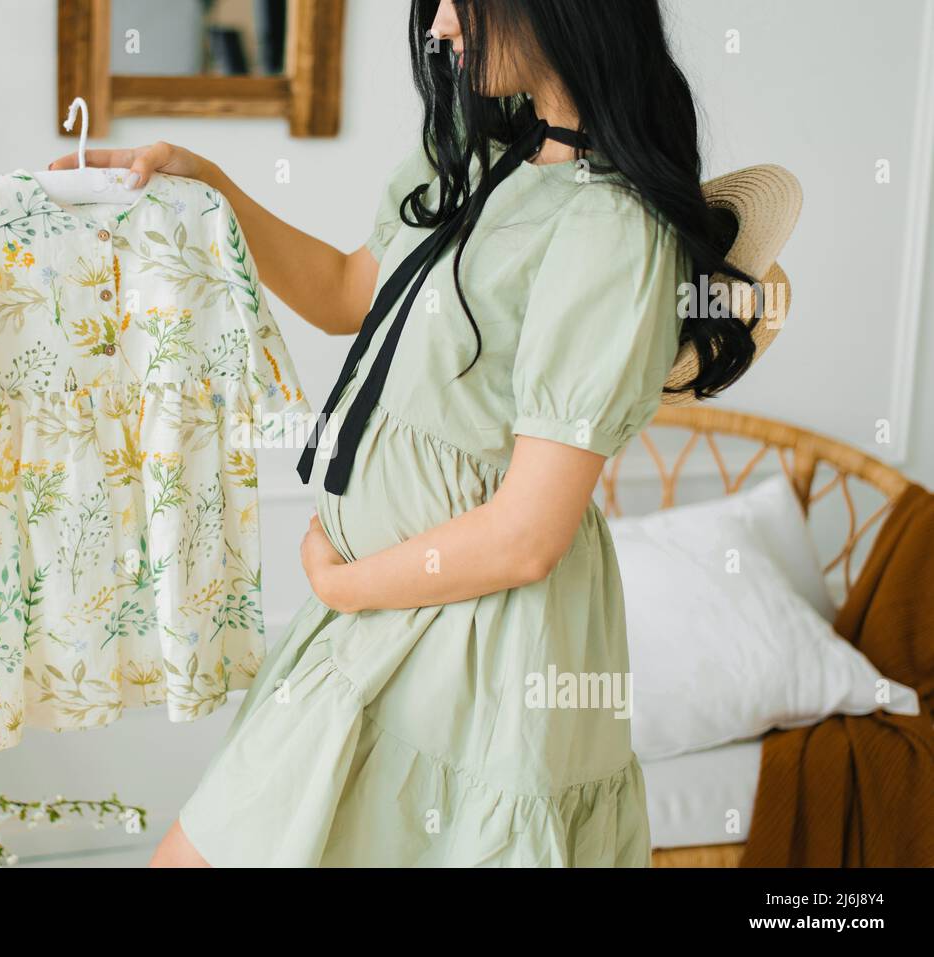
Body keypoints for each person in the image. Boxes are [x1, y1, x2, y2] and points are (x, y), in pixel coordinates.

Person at [50, 0, 758, 867]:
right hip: (380, 610)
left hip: (477, 642)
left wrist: (345, 589)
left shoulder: (611, 227)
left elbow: (530, 536)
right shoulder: (483, 158)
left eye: (461, 1)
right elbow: (351, 289)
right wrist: (213, 190)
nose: (441, 27)